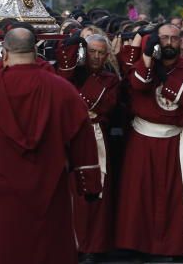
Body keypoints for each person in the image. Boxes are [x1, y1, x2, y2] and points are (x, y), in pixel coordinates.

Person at [0, 27, 101, 264]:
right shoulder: (63, 90)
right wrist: (90, 184)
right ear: (35, 50)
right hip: (48, 183)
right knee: (44, 250)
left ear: (5, 52)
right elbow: (82, 141)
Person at [115, 24, 183, 261]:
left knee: (178, 197)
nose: (169, 42)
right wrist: (148, 59)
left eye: (174, 38)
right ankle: (137, 246)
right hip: (143, 138)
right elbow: (138, 84)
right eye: (164, 38)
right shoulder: (146, 64)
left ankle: (177, 248)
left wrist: (163, 80)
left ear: (181, 41)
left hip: (175, 139)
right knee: (138, 195)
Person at [56, 33, 119, 264]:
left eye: (101, 53)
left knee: (96, 192)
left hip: (95, 136)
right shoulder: (70, 76)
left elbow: (104, 106)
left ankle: (93, 245)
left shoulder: (110, 80)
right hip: (71, 136)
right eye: (92, 51)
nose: (96, 56)